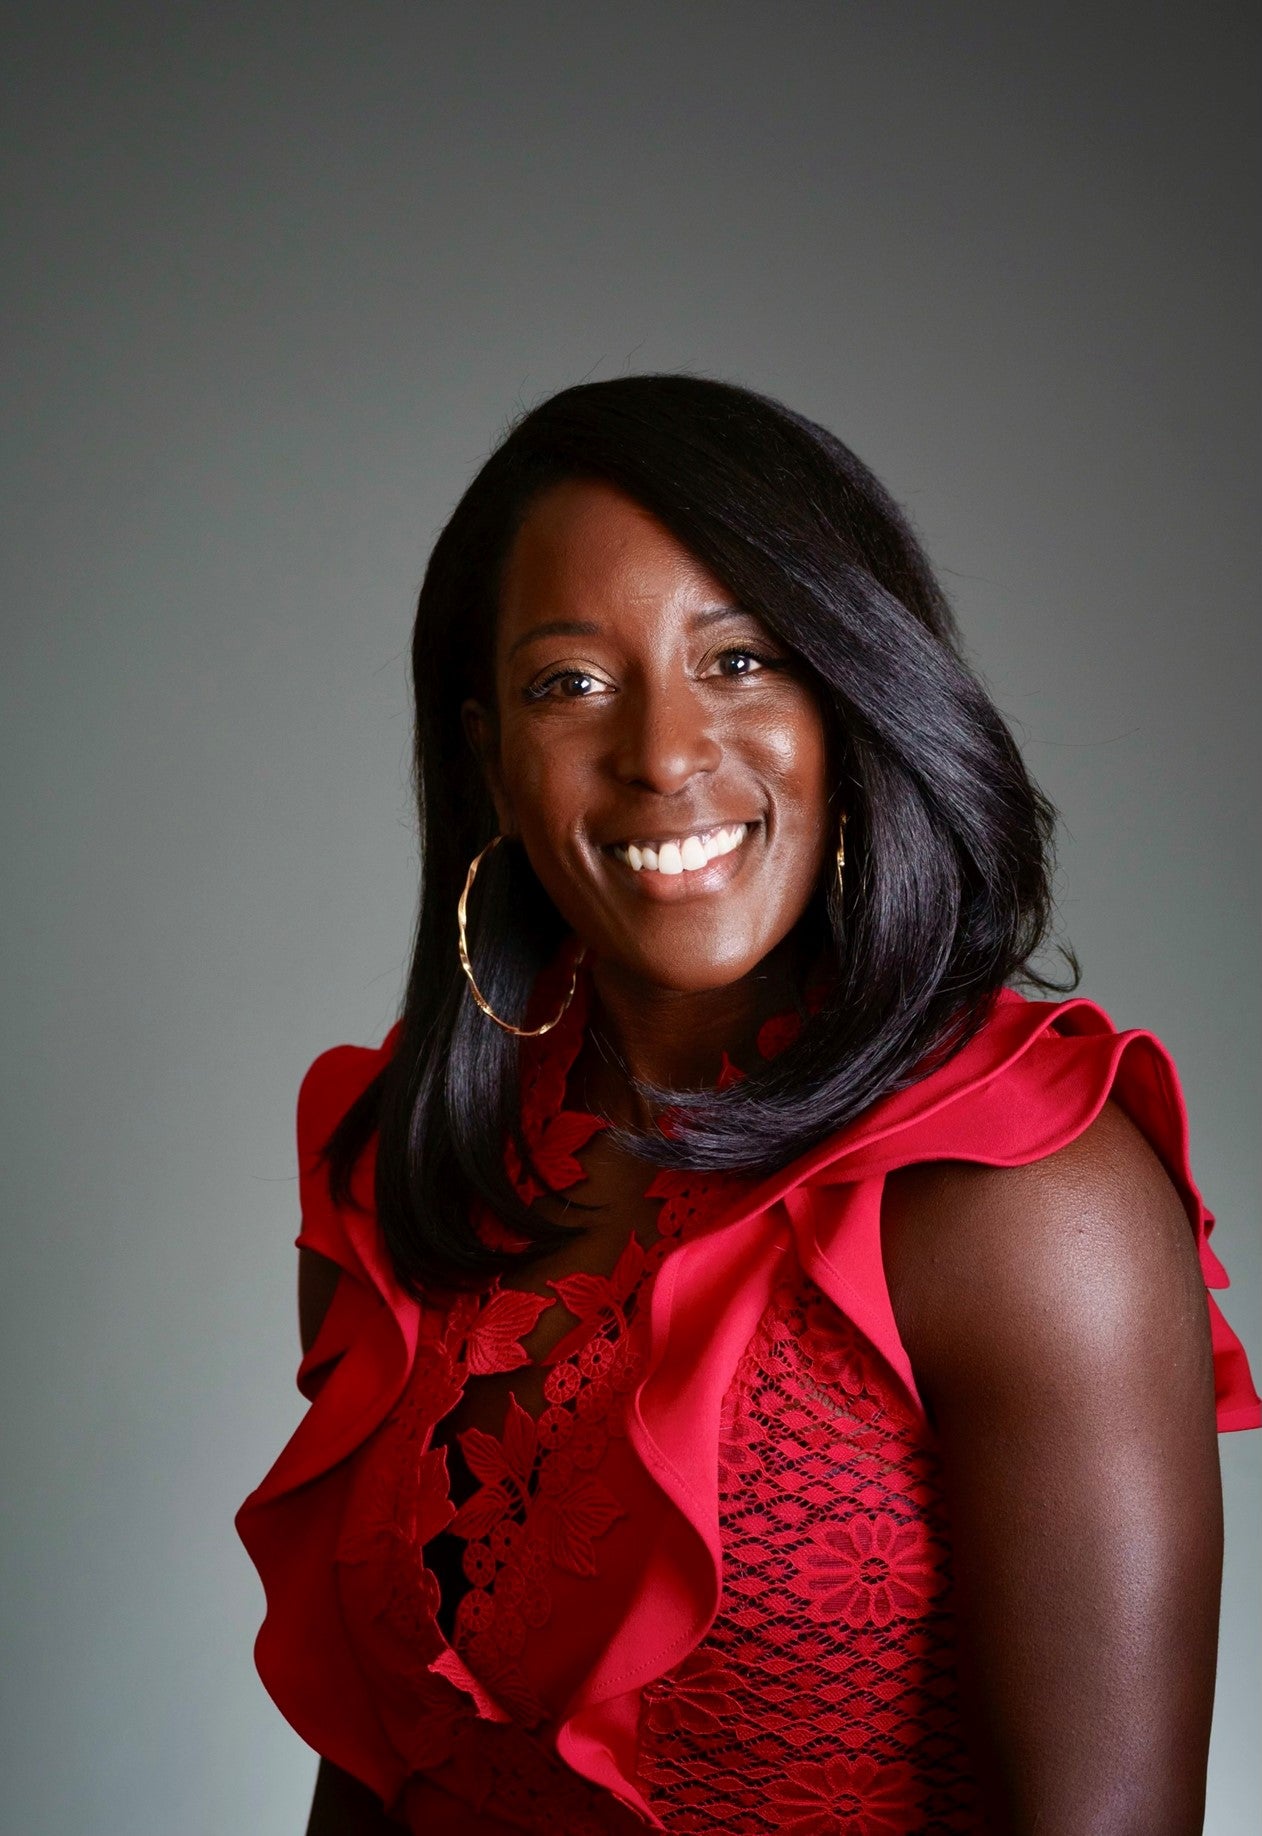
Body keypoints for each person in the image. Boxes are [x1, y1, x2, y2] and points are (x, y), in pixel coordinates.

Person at [237, 376, 1259, 1835]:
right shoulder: (410, 1165)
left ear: (853, 700)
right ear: (487, 760)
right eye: (569, 683)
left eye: (740, 662)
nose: (661, 753)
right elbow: (375, 1766)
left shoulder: (1023, 1201)